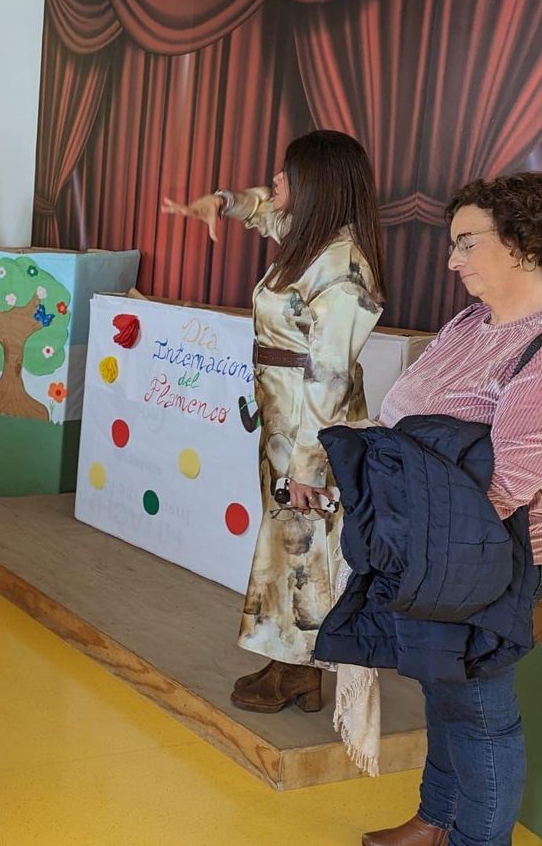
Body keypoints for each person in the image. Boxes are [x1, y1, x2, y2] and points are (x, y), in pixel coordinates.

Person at [353, 173, 542, 846]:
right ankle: (436, 818)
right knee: (443, 684)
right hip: (434, 540)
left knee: (482, 711)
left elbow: (506, 486)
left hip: (495, 553)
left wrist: (406, 527)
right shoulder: (471, 323)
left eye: (466, 243)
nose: (452, 261)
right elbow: (404, 411)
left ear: (521, 244)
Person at [161, 129, 387, 713]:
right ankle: (292, 664)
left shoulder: (343, 268)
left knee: (306, 544)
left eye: (287, 173)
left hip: (312, 429)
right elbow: (264, 205)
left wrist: (312, 465)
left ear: (316, 184)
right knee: (290, 544)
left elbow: (330, 378)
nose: (275, 180)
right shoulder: (312, 242)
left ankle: (301, 666)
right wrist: (223, 201)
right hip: (283, 421)